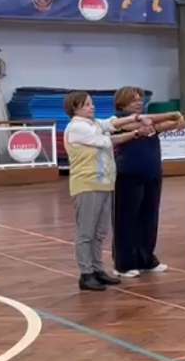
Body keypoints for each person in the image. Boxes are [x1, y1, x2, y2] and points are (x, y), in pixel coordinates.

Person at [63, 92, 158, 291]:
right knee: (86, 232)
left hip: (104, 183)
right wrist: (135, 133)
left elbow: (111, 123)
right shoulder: (77, 127)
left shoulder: (93, 124)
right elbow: (108, 140)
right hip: (87, 184)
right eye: (87, 105)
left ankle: (97, 268)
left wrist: (135, 118)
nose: (92, 107)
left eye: (92, 103)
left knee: (99, 232)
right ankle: (86, 272)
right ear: (75, 109)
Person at [110, 87, 184, 278]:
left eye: (140, 99)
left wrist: (178, 120)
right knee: (127, 220)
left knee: (149, 219)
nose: (138, 102)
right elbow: (137, 126)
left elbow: (161, 126)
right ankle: (124, 264)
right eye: (133, 100)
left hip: (151, 174)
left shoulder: (147, 120)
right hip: (128, 174)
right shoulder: (118, 120)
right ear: (123, 103)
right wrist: (172, 114)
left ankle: (146, 259)